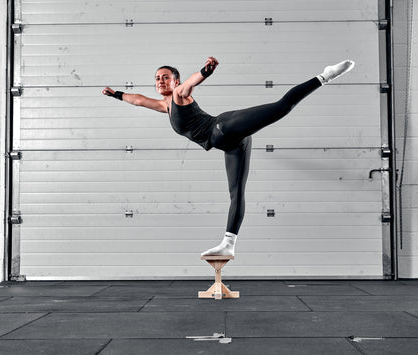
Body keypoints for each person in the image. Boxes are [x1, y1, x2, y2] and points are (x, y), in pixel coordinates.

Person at [103, 57, 354, 256]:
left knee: (281, 107)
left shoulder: (179, 93)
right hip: (231, 144)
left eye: (165, 77)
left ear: (174, 81)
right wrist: (116, 95)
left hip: (222, 128)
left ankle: (326, 75)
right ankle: (228, 243)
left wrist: (205, 71)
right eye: (157, 78)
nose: (160, 81)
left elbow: (191, 82)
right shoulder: (164, 106)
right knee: (236, 192)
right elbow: (137, 100)